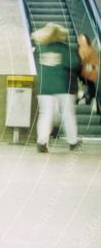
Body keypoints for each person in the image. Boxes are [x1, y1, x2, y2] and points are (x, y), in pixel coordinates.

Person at [31, 23, 82, 152]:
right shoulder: (65, 49)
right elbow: (76, 64)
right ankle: (73, 142)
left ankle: (42, 142)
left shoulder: (40, 48)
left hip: (44, 87)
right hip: (63, 87)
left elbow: (36, 65)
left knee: (45, 114)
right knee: (68, 114)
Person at [77, 33, 100, 113]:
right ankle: (85, 98)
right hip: (86, 70)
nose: (81, 41)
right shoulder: (82, 49)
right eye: (79, 40)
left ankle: (85, 99)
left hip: (88, 70)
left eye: (82, 39)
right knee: (87, 84)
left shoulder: (88, 50)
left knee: (88, 84)